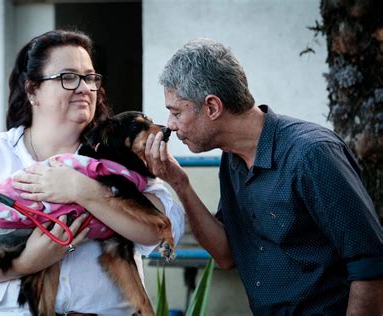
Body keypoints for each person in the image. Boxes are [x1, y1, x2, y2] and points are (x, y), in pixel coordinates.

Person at [0, 29, 184, 316]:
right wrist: (27, 262)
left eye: (90, 78)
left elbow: (162, 226)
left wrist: (83, 190)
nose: (84, 88)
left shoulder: (115, 150)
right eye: (68, 78)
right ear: (32, 89)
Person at [144, 38, 383, 315]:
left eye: (175, 112)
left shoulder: (312, 154)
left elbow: (370, 264)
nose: (170, 126)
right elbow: (225, 255)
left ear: (212, 107)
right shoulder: (231, 160)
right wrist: (179, 183)